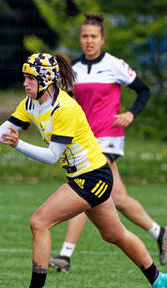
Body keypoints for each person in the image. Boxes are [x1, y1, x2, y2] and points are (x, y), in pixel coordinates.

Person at [0, 52, 167, 288]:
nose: (25, 83)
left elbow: (51, 157)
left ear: (46, 80)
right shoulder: (31, 103)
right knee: (114, 234)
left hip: (92, 177)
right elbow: (1, 132)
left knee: (39, 221)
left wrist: (18, 144)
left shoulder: (65, 109)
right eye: (24, 77)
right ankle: (161, 282)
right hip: (87, 175)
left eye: (30, 78)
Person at [49, 13, 167, 274]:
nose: (89, 41)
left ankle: (65, 256)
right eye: (84, 36)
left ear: (102, 39)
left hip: (108, 138)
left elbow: (144, 90)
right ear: (80, 39)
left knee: (83, 188)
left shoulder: (115, 65)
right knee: (119, 198)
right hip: (84, 140)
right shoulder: (75, 70)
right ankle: (160, 233)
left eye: (93, 36)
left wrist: (131, 113)